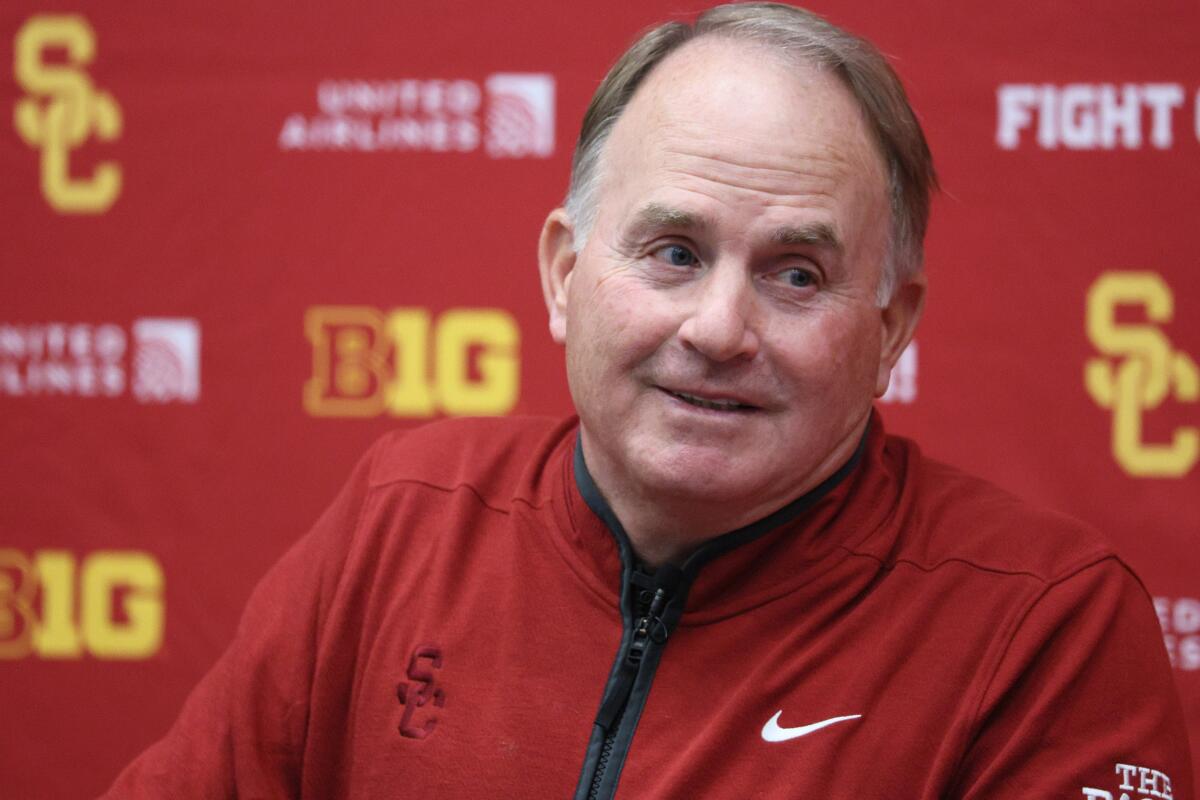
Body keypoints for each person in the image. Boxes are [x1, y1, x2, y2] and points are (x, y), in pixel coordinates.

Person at [105, 3, 1192, 798]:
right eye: (673, 251)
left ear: (892, 327)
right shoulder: (403, 518)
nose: (720, 328)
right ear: (563, 274)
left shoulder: (1044, 625)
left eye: (797, 274)